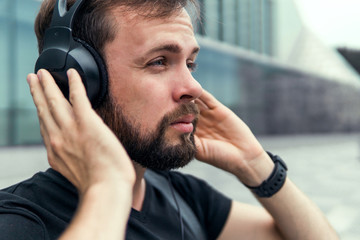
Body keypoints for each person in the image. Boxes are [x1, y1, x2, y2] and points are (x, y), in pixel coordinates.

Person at [0, 0, 339, 239]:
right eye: (159, 61)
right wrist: (108, 190)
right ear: (78, 79)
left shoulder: (182, 195)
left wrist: (256, 165)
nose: (193, 87)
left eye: (190, 64)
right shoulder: (19, 220)